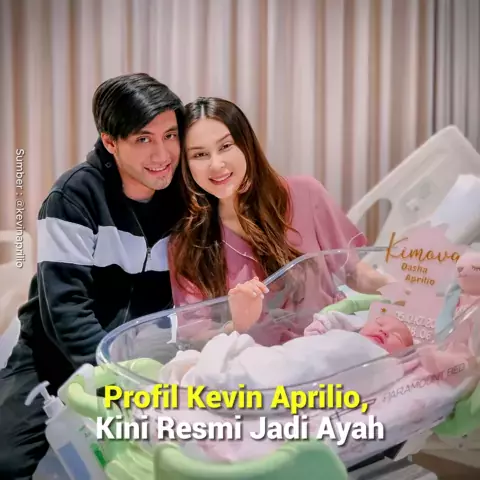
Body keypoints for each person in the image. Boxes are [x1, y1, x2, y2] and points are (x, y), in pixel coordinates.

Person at [0, 73, 186, 479]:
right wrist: (116, 386)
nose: (162, 154)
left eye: (170, 135)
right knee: (6, 460)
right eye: (143, 139)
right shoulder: (72, 197)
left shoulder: (183, 195)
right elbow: (66, 312)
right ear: (110, 142)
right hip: (52, 354)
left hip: (145, 358)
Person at [169, 97, 392, 339]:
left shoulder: (305, 194)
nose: (216, 164)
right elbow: (193, 337)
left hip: (331, 345)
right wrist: (238, 325)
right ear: (186, 165)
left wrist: (400, 289)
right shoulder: (187, 243)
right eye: (200, 154)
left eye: (225, 146)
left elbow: (354, 272)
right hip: (259, 360)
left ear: (246, 144)